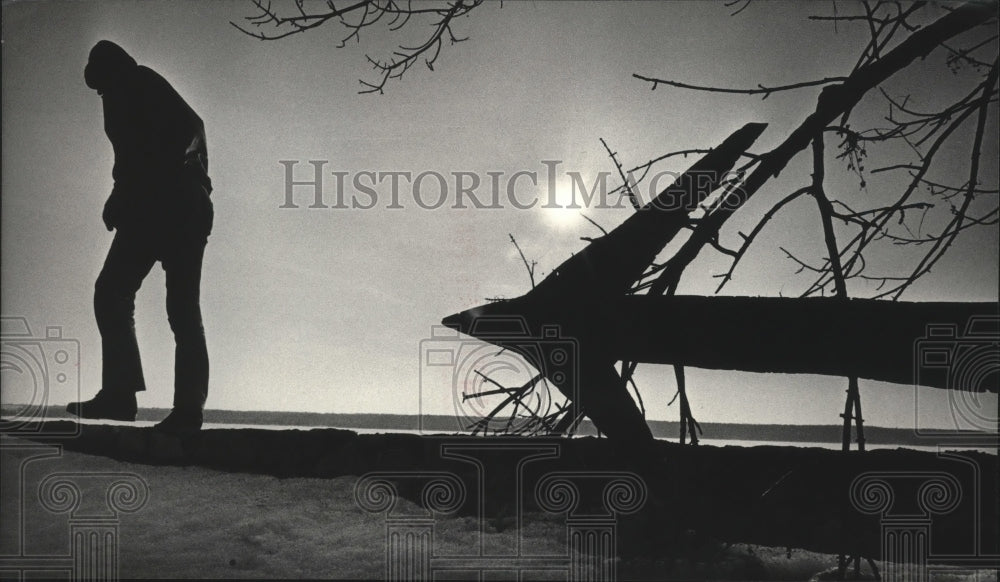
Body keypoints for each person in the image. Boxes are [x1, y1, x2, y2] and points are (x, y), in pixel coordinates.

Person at [68, 40, 214, 433]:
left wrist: (182, 176)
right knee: (112, 291)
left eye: (100, 86)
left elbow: (190, 127)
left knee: (181, 310)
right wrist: (119, 196)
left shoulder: (140, 81)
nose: (100, 95)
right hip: (149, 209)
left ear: (110, 70)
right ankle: (118, 394)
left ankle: (187, 410)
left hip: (179, 206)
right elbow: (128, 158)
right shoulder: (117, 94)